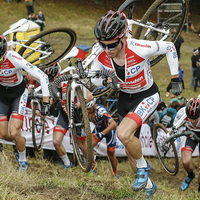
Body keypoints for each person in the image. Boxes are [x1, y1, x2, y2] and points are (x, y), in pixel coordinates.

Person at [91, 10, 182, 198]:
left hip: (147, 95)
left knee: (123, 134)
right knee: (131, 149)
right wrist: (106, 81)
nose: (107, 49)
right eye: (102, 44)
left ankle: (143, 167)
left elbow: (170, 47)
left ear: (122, 38)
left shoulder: (139, 47)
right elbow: (94, 79)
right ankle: (149, 186)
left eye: (112, 45)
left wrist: (175, 79)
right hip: (125, 98)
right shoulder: (99, 53)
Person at [0, 35, 50, 170]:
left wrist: (46, 103)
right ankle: (20, 141)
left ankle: (22, 160)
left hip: (18, 93)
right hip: (2, 95)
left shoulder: (13, 57)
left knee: (15, 132)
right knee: (3, 134)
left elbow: (43, 76)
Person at [86, 98, 119, 177]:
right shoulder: (89, 111)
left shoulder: (101, 110)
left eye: (90, 108)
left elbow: (114, 124)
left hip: (109, 130)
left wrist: (102, 133)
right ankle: (93, 166)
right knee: (88, 146)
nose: (88, 111)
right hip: (99, 129)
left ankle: (115, 172)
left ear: (94, 105)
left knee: (110, 155)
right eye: (87, 109)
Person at [173, 98, 200, 192]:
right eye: (190, 118)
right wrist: (183, 131)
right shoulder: (182, 112)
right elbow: (176, 126)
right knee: (185, 162)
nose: (192, 121)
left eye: (195, 119)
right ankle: (190, 175)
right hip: (190, 134)